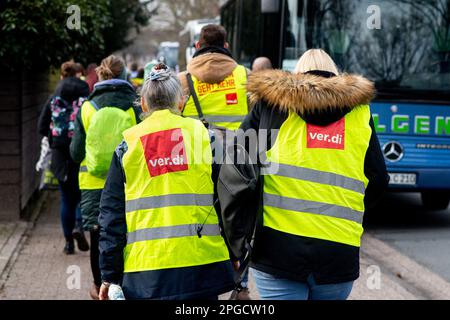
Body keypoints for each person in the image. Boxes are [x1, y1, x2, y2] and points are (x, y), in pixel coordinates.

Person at [223, 49, 389, 300]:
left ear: (297, 74)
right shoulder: (360, 113)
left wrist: (236, 241)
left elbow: (236, 167)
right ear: (335, 74)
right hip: (338, 251)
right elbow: (378, 179)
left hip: (276, 251)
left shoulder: (272, 106)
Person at [98, 63, 234, 300]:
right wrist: (235, 252)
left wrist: (109, 275)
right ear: (180, 102)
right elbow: (228, 199)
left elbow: (111, 215)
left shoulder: (127, 146)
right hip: (201, 264)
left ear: (143, 104)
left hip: (146, 270)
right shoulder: (206, 138)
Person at [70, 55, 141, 300]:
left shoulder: (87, 107)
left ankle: (98, 285)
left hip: (92, 182)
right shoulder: (134, 106)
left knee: (98, 232)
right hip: (127, 183)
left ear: (99, 75)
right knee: (125, 232)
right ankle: (122, 283)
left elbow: (75, 151)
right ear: (124, 76)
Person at [38, 61, 90, 255]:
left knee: (66, 198)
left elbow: (42, 126)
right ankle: (79, 226)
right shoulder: (86, 95)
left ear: (62, 75)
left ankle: (68, 243)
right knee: (81, 195)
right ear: (79, 75)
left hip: (60, 154)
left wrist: (54, 139)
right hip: (81, 153)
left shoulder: (55, 95)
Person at [179, 24, 249, 131]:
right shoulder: (245, 74)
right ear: (226, 46)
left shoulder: (182, 80)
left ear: (197, 46)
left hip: (196, 146)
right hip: (238, 144)